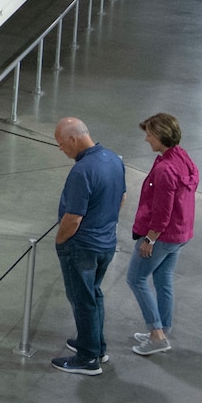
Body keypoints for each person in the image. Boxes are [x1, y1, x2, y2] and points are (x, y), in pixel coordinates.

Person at [50, 117, 127, 375]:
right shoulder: (114, 159)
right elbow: (122, 198)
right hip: (106, 243)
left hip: (82, 247)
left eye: (61, 145)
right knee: (94, 294)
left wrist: (60, 241)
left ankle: (87, 358)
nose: (62, 150)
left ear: (73, 139)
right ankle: (95, 345)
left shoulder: (82, 171)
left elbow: (73, 218)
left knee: (82, 300)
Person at [126, 113, 199, 355]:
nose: (146, 139)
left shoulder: (166, 169)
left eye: (149, 134)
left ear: (160, 136)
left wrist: (149, 239)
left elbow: (162, 212)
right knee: (162, 279)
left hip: (163, 236)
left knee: (135, 279)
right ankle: (163, 328)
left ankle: (157, 335)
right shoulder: (182, 157)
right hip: (181, 233)